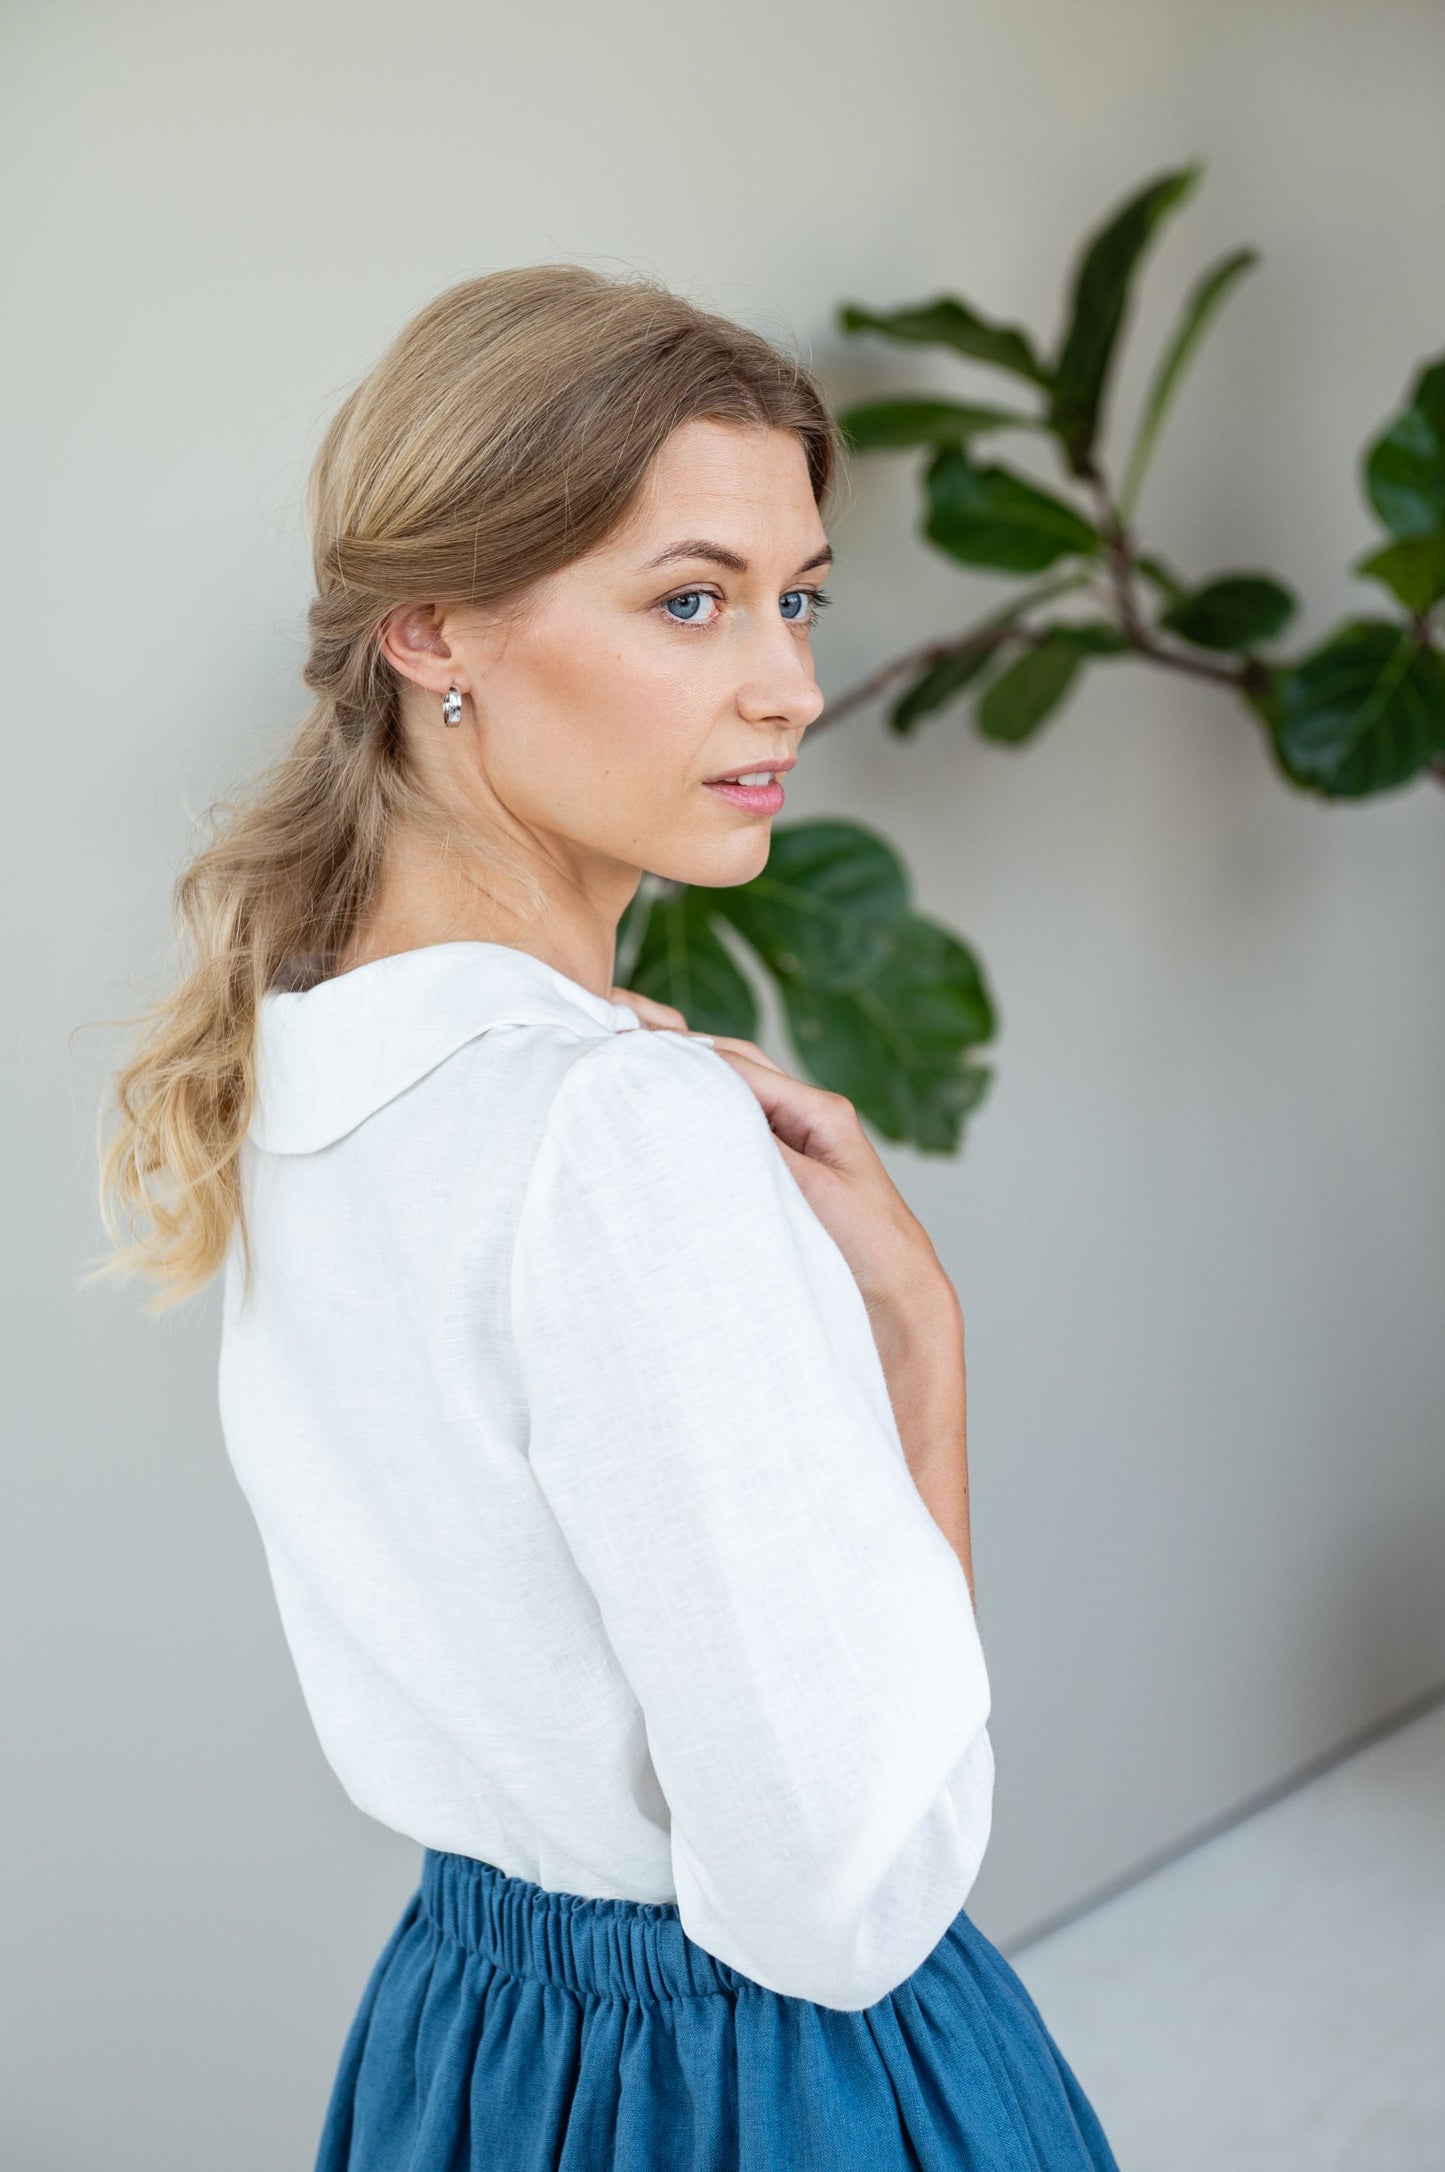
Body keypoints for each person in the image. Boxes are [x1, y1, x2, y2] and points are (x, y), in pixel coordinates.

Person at [95, 265, 1119, 2170]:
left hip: (464, 2042)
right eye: (689, 600)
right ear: (432, 632)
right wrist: (920, 1346)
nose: (788, 681)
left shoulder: (312, 1064)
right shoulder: (614, 1132)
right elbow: (835, 1887)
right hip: (755, 2074)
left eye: (797, 595)